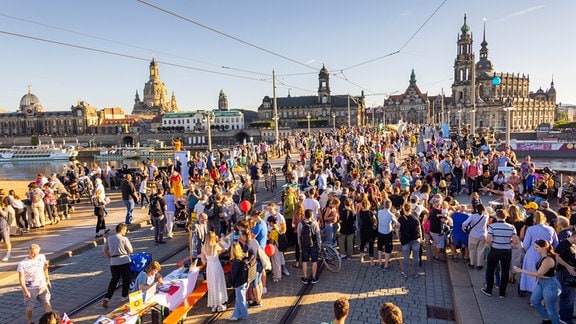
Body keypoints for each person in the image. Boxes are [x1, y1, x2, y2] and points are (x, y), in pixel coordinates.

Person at [514, 240, 562, 324]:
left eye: (537, 247)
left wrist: (521, 270)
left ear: (544, 248)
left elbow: (539, 273)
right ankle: (546, 320)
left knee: (550, 308)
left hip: (550, 285)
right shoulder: (543, 256)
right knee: (534, 300)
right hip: (541, 282)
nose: (535, 249)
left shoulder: (548, 260)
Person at [480, 209, 519, 298]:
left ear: (497, 216)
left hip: (495, 250)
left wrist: (492, 244)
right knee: (505, 272)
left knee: (490, 270)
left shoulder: (492, 226)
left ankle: (489, 290)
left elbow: (488, 240)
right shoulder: (511, 227)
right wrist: (508, 240)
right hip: (507, 251)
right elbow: (516, 242)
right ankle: (502, 292)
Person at [520, 211, 559, 294]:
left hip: (532, 253)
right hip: (546, 254)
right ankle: (541, 293)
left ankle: (533, 292)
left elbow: (526, 244)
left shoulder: (531, 229)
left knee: (531, 273)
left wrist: (528, 250)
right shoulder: (551, 229)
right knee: (544, 274)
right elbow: (556, 243)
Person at [17, 243, 52, 324]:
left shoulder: (42, 257)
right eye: (32, 253)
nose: (34, 255)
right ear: (28, 251)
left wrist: (47, 279)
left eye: (36, 253)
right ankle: (30, 321)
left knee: (47, 303)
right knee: (30, 308)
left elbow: (45, 268)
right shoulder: (22, 263)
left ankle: (49, 321)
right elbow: (21, 278)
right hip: (30, 289)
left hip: (42, 286)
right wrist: (25, 290)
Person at [101, 223, 133, 308]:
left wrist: (110, 257)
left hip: (113, 262)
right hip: (124, 261)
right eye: (125, 230)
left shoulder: (109, 238)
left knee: (114, 280)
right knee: (126, 279)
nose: (126, 232)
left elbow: (103, 251)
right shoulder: (124, 239)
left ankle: (107, 298)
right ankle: (124, 296)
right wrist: (127, 253)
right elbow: (130, 250)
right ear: (122, 230)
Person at [201, 231, 228, 313]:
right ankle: (219, 304)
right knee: (218, 284)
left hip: (209, 267)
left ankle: (214, 304)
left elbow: (203, 260)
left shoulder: (204, 247)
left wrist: (209, 259)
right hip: (216, 266)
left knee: (212, 285)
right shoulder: (215, 246)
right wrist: (220, 242)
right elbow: (224, 249)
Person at [396, 202, 422, 279]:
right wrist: (420, 238)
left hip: (405, 240)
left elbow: (397, 229)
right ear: (411, 209)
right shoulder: (415, 218)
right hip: (415, 239)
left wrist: (398, 238)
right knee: (416, 257)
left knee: (406, 257)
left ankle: (405, 272)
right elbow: (419, 229)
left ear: (404, 209)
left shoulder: (400, 219)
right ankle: (416, 273)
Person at [555, 232, 576, 324]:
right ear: (574, 237)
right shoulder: (564, 244)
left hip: (570, 273)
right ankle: (565, 318)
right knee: (567, 296)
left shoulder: (572, 244)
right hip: (564, 274)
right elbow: (556, 256)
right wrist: (568, 266)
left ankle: (567, 314)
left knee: (569, 296)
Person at [298, 209, 322, 285]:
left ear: (304, 215)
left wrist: (300, 246)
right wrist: (319, 246)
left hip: (304, 245)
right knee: (314, 261)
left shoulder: (300, 224)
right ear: (312, 215)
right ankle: (314, 277)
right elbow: (318, 236)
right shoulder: (314, 224)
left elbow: (298, 236)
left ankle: (305, 277)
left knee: (304, 261)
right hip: (313, 245)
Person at [228, 242, 250, 321]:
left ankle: (245, 315)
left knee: (240, 300)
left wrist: (231, 283)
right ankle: (236, 315)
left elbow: (234, 274)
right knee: (239, 299)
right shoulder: (242, 258)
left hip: (239, 283)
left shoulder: (235, 263)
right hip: (244, 282)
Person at [377, 200, 397, 270]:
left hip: (380, 232)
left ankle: (380, 263)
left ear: (384, 205)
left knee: (380, 248)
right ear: (390, 206)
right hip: (387, 233)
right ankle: (386, 265)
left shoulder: (379, 212)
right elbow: (397, 223)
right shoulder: (391, 215)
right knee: (388, 249)